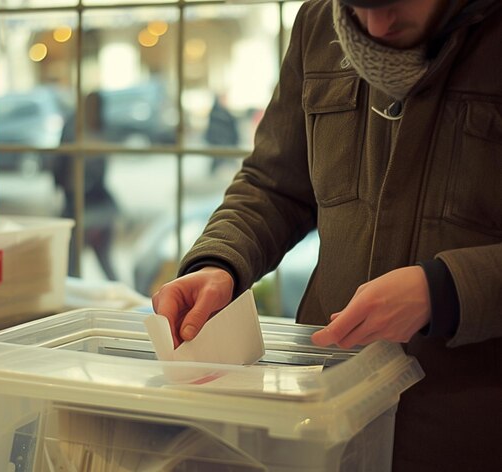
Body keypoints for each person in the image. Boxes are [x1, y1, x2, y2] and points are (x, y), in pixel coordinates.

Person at [151, 1, 502, 470]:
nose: (377, 27)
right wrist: (219, 262)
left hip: (471, 427)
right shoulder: (317, 25)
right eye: (358, 8)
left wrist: (446, 290)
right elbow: (274, 185)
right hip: (330, 416)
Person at [53, 92, 119, 280]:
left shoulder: (74, 128)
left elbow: (58, 164)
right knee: (105, 264)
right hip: (100, 207)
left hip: (79, 206)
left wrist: (59, 185)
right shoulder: (99, 129)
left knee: (72, 268)